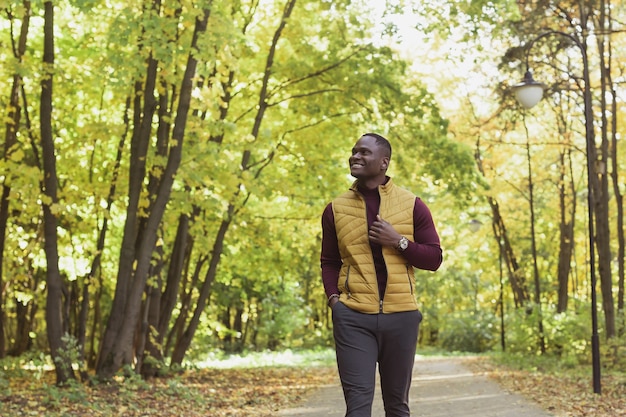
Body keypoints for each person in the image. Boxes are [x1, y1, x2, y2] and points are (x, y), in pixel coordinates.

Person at [320, 133, 443, 417]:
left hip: (402, 317)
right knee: (358, 406)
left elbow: (434, 258)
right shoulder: (335, 209)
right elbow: (329, 261)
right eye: (354, 151)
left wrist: (398, 241)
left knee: (397, 406)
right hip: (353, 316)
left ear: (384, 162)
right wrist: (334, 300)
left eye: (364, 152)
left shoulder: (412, 205)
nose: (355, 156)